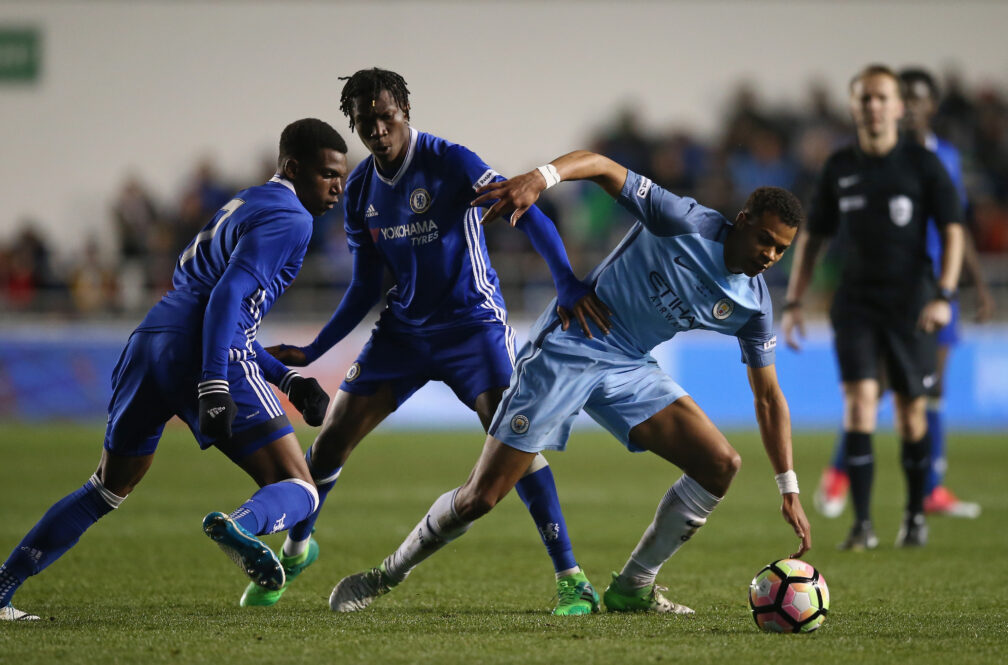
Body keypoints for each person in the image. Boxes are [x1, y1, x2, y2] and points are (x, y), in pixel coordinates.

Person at [327, 149, 812, 616]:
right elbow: (601, 165)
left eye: (781, 249)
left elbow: (768, 398)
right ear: (744, 219)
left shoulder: (753, 303)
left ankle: (633, 588)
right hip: (573, 344)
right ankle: (387, 575)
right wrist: (542, 178)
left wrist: (788, 486)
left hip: (629, 366)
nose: (770, 255)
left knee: (720, 463)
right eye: (765, 240)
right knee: (483, 495)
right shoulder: (683, 219)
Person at [250, 68, 606, 615]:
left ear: (405, 112)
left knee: (515, 442)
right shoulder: (360, 190)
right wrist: (314, 350)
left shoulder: (450, 161)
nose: (378, 129)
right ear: (354, 124)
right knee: (329, 443)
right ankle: (297, 549)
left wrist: (565, 282)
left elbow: (523, 209)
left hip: (472, 329)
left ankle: (571, 578)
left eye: (386, 116)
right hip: (403, 333)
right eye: (365, 121)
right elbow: (367, 284)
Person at [0, 118, 348, 621]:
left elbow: (208, 299)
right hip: (201, 351)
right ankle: (240, 525)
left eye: (342, 176)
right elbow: (227, 298)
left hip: (151, 341)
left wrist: (284, 377)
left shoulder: (242, 204)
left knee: (107, 487)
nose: (338, 187)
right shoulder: (294, 219)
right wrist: (216, 379)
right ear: (292, 167)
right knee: (302, 488)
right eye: (328, 174)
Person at [782, 64, 964, 550]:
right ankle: (862, 525)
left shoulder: (924, 165)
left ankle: (913, 516)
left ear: (899, 107)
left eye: (882, 98)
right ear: (853, 105)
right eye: (865, 98)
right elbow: (813, 236)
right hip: (856, 304)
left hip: (914, 305)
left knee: (910, 413)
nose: (874, 106)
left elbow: (953, 230)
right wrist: (795, 300)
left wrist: (945, 294)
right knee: (859, 404)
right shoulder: (840, 166)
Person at [813, 67, 994, 521]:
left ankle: (930, 488)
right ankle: (840, 472)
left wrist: (974, 283)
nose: (909, 105)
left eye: (918, 97)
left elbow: (957, 225)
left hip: (935, 289)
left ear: (931, 105)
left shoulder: (944, 157)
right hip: (889, 290)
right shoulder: (880, 159)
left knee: (929, 390)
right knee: (871, 392)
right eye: (903, 96)